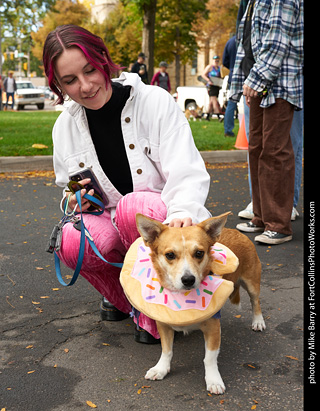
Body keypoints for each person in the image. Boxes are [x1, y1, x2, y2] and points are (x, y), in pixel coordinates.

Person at [42, 25, 211, 343]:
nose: (86, 86)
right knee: (70, 239)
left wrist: (184, 212)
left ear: (103, 59)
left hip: (161, 217)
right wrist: (74, 201)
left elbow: (187, 173)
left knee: (133, 208)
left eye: (90, 70)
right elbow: (69, 187)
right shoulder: (64, 127)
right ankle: (127, 298)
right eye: (70, 81)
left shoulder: (154, 102)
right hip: (110, 223)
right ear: (58, 85)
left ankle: (160, 310)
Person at [230, 0, 304, 245]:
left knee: (275, 151)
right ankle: (261, 218)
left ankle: (279, 225)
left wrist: (257, 78)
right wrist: (241, 81)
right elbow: (246, 42)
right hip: (258, 84)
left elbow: (277, 41)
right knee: (257, 149)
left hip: (279, 84)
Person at [222, 35, 237, 137]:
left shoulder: (230, 42)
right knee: (250, 105)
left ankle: (228, 129)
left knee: (231, 104)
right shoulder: (248, 37)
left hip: (233, 75)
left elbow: (224, 61)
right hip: (247, 74)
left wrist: (232, 68)